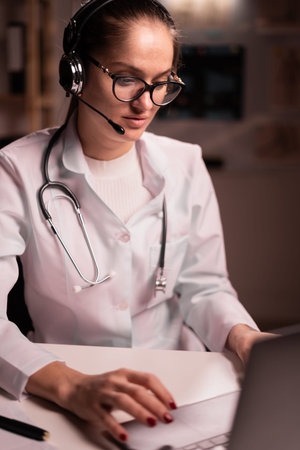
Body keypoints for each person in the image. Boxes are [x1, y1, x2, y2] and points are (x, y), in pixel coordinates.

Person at [0, 0, 272, 445]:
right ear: (76, 73)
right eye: (127, 79)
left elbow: (204, 288)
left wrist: (242, 336)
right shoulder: (16, 170)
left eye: (162, 84)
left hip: (178, 389)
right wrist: (69, 385)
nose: (146, 103)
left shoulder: (185, 164)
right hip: (69, 385)